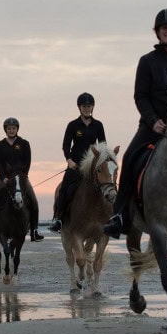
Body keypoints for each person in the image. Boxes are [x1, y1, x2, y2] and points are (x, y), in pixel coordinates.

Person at [104, 8, 167, 239]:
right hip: (154, 127)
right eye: (165, 29)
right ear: (158, 33)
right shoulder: (147, 61)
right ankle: (120, 215)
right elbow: (140, 96)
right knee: (130, 157)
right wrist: (153, 121)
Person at [0, 117, 43, 242]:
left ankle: (34, 231)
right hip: (4, 178)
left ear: (17, 129)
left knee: (34, 201)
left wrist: (23, 176)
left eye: (13, 128)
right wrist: (3, 178)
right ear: (5, 129)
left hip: (20, 178)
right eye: (9, 128)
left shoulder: (24, 144)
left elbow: (28, 161)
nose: (11, 130)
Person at [49, 93, 106, 232]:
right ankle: (58, 219)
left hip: (92, 165)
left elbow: (103, 146)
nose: (87, 109)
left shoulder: (98, 125)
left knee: (108, 186)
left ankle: (111, 218)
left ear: (93, 107)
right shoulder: (73, 125)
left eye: (89, 106)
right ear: (79, 107)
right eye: (84, 106)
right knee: (64, 189)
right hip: (76, 165)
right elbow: (66, 145)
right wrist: (69, 161)